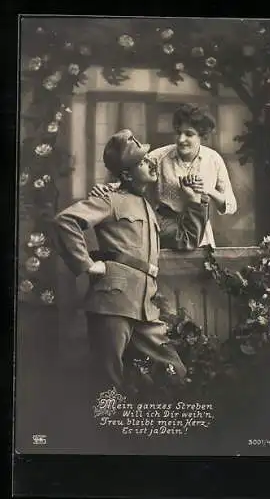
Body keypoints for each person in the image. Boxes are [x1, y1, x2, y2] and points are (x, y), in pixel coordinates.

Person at [53, 129, 210, 394]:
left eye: (149, 158)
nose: (151, 163)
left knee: (175, 371)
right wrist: (87, 265)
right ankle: (103, 434)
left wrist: (195, 202)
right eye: (142, 161)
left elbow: (186, 239)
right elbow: (66, 221)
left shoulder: (150, 208)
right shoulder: (109, 199)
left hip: (145, 309)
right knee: (107, 382)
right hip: (112, 302)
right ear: (126, 175)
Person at [90, 103, 237, 248]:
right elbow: (130, 176)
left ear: (202, 136)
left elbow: (230, 206)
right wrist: (105, 189)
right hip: (166, 231)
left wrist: (209, 190)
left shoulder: (213, 159)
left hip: (200, 233)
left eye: (189, 134)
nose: (181, 139)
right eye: (179, 132)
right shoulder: (159, 157)